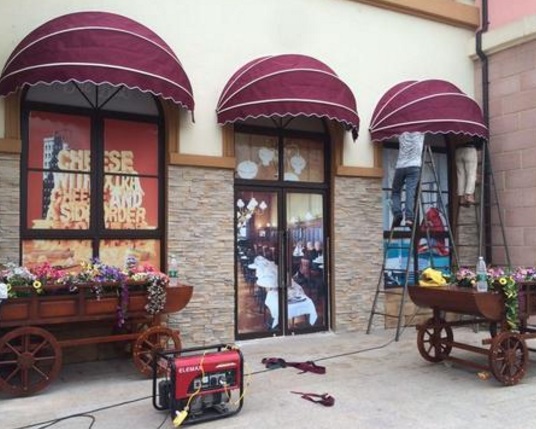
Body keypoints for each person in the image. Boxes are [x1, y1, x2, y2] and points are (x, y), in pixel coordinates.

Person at [391, 131, 425, 228]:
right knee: (410, 192)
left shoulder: (401, 130)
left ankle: (397, 214)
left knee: (396, 192)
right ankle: (409, 218)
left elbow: (393, 134)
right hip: (414, 166)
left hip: (400, 166)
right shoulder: (421, 131)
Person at [456, 138, 478, 206]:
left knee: (460, 175)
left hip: (458, 150)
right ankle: (469, 195)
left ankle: (462, 198)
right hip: (469, 149)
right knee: (471, 173)